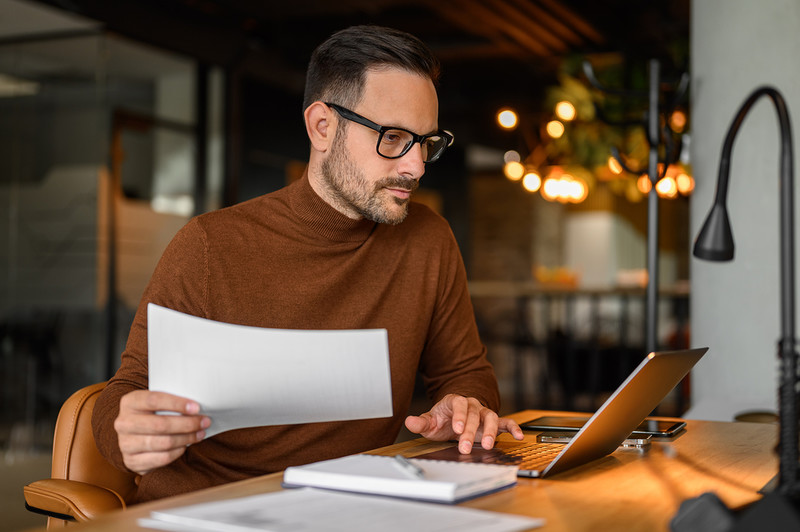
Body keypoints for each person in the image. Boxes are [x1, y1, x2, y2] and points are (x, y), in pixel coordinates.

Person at [92, 24, 523, 502]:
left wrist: (465, 404)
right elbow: (124, 392)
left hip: (353, 505)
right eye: (395, 137)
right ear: (322, 126)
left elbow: (466, 372)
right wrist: (128, 432)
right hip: (209, 509)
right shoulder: (210, 245)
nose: (415, 166)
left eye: (426, 142)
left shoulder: (428, 239)